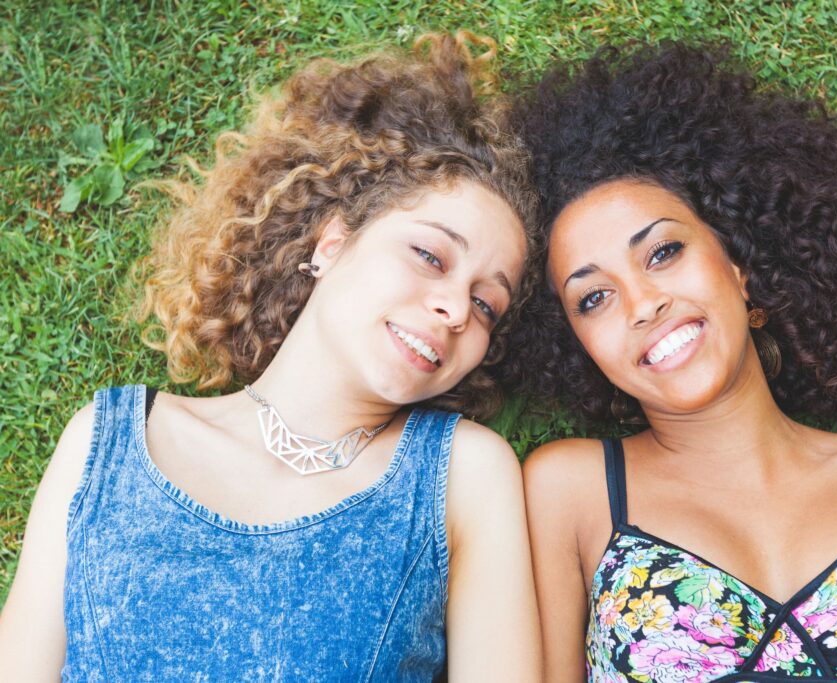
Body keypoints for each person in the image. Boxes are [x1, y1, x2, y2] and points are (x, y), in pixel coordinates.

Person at [0, 32, 542, 681]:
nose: (456, 308)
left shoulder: (462, 475)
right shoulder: (107, 440)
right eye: (430, 256)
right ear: (333, 242)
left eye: (487, 304)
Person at [503, 42, 837, 681]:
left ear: (741, 269)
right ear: (576, 344)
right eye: (594, 297)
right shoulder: (570, 490)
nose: (643, 304)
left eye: (662, 253)